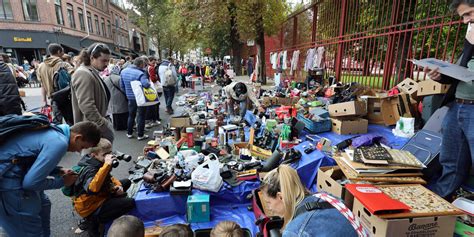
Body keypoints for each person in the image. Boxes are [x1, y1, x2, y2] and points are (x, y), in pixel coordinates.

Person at [0, 121, 102, 237]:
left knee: (44, 205)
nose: (79, 151)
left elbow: (29, 158)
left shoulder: (55, 130)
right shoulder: (59, 143)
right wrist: (63, 182)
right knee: (30, 230)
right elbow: (30, 183)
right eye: (82, 147)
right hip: (8, 186)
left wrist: (58, 170)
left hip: (16, 171)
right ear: (78, 137)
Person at [425, 0, 474, 199]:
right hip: (459, 106)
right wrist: (441, 76)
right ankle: (441, 199)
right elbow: (462, 71)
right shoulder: (470, 37)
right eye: (463, 16)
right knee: (451, 160)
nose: (465, 21)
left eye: (469, 13)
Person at [260, 165, 357, 237]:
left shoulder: (295, 231)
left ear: (281, 197)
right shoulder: (325, 196)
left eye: (269, 203)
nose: (269, 208)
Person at [70, 138, 135, 237]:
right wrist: (106, 166)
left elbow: (109, 178)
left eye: (110, 153)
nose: (109, 156)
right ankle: (93, 220)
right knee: (130, 202)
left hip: (99, 196)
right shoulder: (90, 169)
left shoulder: (98, 161)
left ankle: (109, 205)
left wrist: (117, 186)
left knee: (126, 182)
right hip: (90, 207)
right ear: (93, 155)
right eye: (105, 154)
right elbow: (93, 189)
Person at [71, 43, 114, 143]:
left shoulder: (89, 71)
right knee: (97, 156)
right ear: (92, 58)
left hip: (95, 127)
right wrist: (102, 124)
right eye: (103, 60)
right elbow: (87, 105)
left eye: (108, 60)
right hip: (92, 130)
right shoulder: (83, 73)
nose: (107, 63)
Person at [37, 43, 74, 124]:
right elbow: (75, 77)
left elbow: (42, 85)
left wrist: (44, 100)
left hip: (53, 98)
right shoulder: (64, 64)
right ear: (58, 51)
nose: (63, 54)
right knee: (71, 122)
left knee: (56, 122)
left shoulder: (41, 66)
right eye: (62, 52)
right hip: (66, 97)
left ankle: (58, 136)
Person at [120, 56, 151, 140]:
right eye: (144, 64)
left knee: (131, 115)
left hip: (130, 97)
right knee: (141, 116)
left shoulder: (123, 71)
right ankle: (140, 135)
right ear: (141, 64)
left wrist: (128, 93)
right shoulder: (140, 73)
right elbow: (146, 85)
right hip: (140, 97)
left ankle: (129, 133)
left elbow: (122, 86)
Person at [104, 65, 129, 131]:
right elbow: (122, 87)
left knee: (115, 113)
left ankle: (117, 126)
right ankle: (123, 126)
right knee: (122, 112)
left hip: (112, 97)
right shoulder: (117, 77)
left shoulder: (106, 78)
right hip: (119, 97)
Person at [145, 56, 161, 128]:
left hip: (149, 87)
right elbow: (153, 79)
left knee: (151, 104)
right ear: (150, 61)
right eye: (153, 62)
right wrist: (157, 77)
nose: (154, 64)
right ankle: (154, 119)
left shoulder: (147, 68)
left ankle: (152, 119)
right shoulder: (151, 68)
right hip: (153, 87)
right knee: (155, 103)